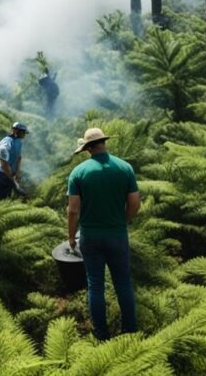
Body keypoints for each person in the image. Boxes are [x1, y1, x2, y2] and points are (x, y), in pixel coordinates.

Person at [66, 127, 141, 341]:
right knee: (123, 283)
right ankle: (131, 331)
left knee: (95, 284)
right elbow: (135, 203)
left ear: (87, 148)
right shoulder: (124, 168)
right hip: (117, 234)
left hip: (89, 237)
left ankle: (101, 335)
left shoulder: (79, 172)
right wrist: (123, 220)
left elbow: (73, 210)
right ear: (104, 143)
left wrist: (72, 237)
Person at [0, 122, 29, 199]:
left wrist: (18, 172)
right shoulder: (7, 142)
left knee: (8, 196)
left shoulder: (18, 142)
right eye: (23, 132)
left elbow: (18, 158)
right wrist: (11, 177)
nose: (24, 134)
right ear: (16, 131)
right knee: (3, 197)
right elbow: (3, 162)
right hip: (3, 174)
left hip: (11, 174)